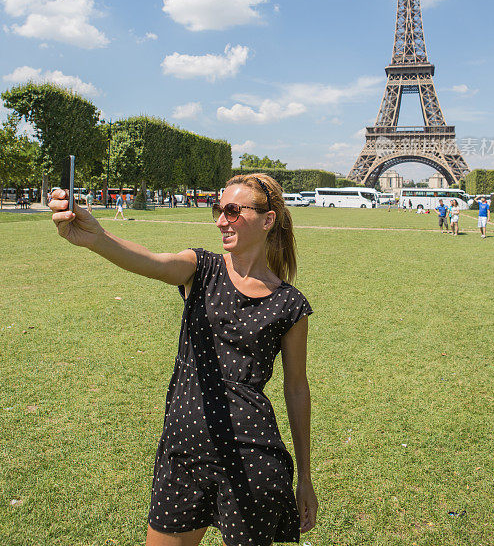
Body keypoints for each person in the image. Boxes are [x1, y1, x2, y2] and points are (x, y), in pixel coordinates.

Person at [48, 172, 317, 546]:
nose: (222, 220)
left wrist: (304, 477)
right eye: (219, 210)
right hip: (184, 449)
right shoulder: (200, 267)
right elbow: (152, 261)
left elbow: (296, 388)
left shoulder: (289, 304)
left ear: (267, 219)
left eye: (234, 211)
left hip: (252, 458)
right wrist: (97, 237)